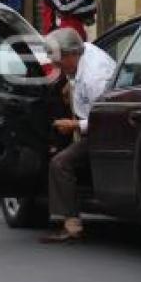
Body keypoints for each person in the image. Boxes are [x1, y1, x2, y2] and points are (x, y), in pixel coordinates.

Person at [41, 28, 116, 243]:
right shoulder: (85, 51)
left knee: (60, 163)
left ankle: (71, 224)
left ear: (71, 55)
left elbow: (104, 118)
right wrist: (69, 83)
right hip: (90, 121)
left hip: (103, 131)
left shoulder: (95, 77)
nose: (58, 68)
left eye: (60, 64)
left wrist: (75, 125)